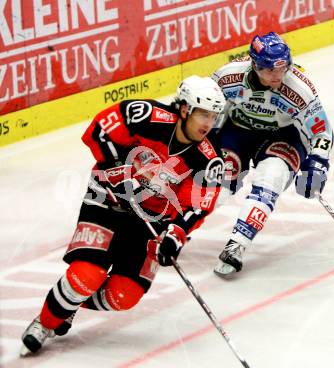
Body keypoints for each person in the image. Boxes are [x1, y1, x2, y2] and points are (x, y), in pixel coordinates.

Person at [20, 75, 226, 355]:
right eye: (203, 113)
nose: (208, 123)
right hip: (107, 200)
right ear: (184, 109)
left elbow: (198, 206)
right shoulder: (145, 116)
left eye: (213, 116)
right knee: (87, 273)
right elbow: (98, 131)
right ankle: (45, 323)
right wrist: (119, 170)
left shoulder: (208, 158)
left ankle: (69, 303)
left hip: (151, 220)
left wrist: (175, 235)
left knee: (124, 296)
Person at [211, 32, 334, 278]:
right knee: (217, 185)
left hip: (283, 137)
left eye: (283, 69)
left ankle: (237, 244)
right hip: (238, 133)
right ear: (254, 65)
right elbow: (209, 109)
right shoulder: (228, 76)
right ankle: (173, 227)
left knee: (270, 179)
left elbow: (322, 130)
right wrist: (205, 143)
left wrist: (318, 164)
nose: (278, 76)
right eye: (269, 71)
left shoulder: (299, 87)